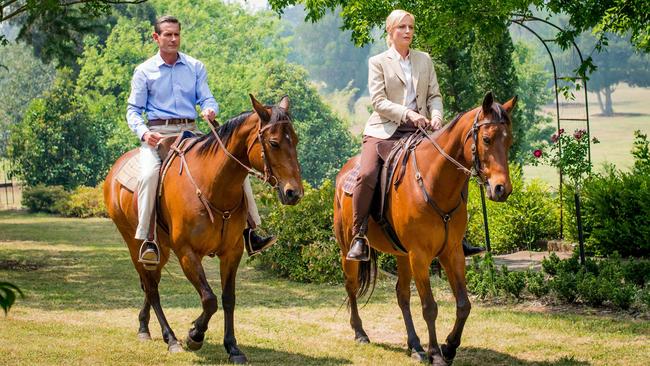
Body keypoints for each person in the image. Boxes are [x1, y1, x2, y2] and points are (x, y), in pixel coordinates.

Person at [126, 16, 276, 269]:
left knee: (236, 166)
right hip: (158, 135)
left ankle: (251, 232)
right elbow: (133, 110)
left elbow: (207, 98)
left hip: (192, 133)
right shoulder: (144, 71)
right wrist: (143, 133)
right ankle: (148, 239)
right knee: (149, 175)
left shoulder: (195, 66)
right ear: (156, 38)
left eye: (176, 34)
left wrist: (209, 109)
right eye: (167, 35)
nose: (173, 39)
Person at [346, 10, 484, 261]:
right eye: (402, 27)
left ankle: (457, 235)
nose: (408, 31)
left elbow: (435, 96)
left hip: (421, 130)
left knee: (456, 168)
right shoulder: (378, 62)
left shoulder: (424, 60)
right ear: (390, 31)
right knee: (366, 174)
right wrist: (408, 115)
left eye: (411, 27)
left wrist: (438, 117)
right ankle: (359, 234)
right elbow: (378, 101)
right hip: (384, 130)